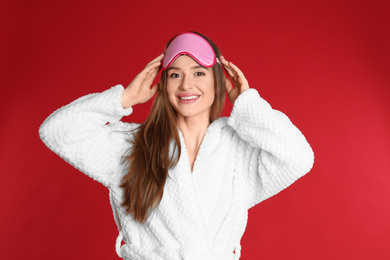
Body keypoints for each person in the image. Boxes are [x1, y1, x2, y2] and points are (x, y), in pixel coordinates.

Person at [39, 31, 314, 260]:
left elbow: (298, 157)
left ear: (218, 82)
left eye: (198, 73)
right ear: (164, 83)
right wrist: (124, 99)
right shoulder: (134, 145)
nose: (186, 85)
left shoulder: (238, 150)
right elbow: (56, 131)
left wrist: (249, 105)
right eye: (174, 75)